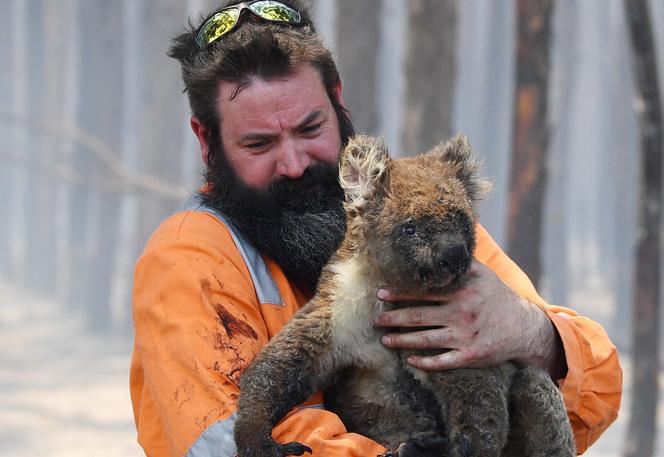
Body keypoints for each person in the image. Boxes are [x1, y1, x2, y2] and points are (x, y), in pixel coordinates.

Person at [129, 1, 622, 456]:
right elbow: (225, 440)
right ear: (207, 141)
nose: (295, 163)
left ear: (337, 99)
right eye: (259, 144)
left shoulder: (417, 202)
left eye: (310, 128)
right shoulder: (189, 257)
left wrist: (531, 332)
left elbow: (597, 392)